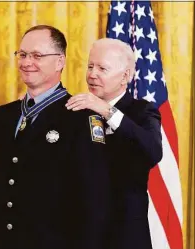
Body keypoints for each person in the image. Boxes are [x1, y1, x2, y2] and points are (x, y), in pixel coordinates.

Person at [0, 25, 110, 249]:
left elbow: (94, 202)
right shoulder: (5, 115)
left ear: (60, 61)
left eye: (37, 55)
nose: (26, 62)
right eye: (22, 54)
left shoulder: (80, 117)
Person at [66, 38, 163, 249]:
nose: (92, 74)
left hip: (125, 236)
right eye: (90, 66)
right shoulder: (76, 111)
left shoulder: (142, 111)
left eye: (102, 68)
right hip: (80, 236)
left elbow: (153, 151)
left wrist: (106, 111)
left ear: (125, 76)